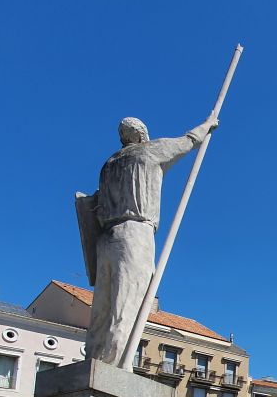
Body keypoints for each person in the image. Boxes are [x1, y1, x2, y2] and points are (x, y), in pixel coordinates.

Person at [77, 114, 219, 367]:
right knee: (128, 304)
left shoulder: (108, 166)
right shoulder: (148, 151)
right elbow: (187, 141)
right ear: (142, 135)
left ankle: (94, 359)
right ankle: (117, 366)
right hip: (135, 233)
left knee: (102, 309)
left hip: (105, 238)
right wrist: (208, 125)